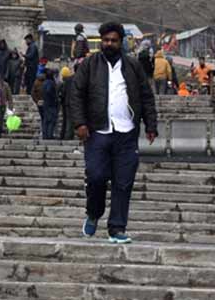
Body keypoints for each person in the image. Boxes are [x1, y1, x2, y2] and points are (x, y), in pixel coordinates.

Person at [65, 22, 158, 245]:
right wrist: (79, 123)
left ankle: (117, 228)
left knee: (123, 182)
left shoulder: (133, 66)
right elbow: (76, 94)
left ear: (120, 42)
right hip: (97, 132)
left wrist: (151, 125)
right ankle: (94, 213)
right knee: (96, 177)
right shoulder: (89, 64)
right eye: (105, 40)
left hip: (126, 132)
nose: (109, 44)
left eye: (113, 40)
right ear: (101, 42)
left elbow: (146, 96)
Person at [39, 70, 59, 140]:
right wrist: (55, 98)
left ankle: (45, 135)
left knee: (46, 120)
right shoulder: (51, 83)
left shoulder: (44, 83)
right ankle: (49, 135)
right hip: (51, 104)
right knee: (51, 120)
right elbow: (49, 91)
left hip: (46, 103)